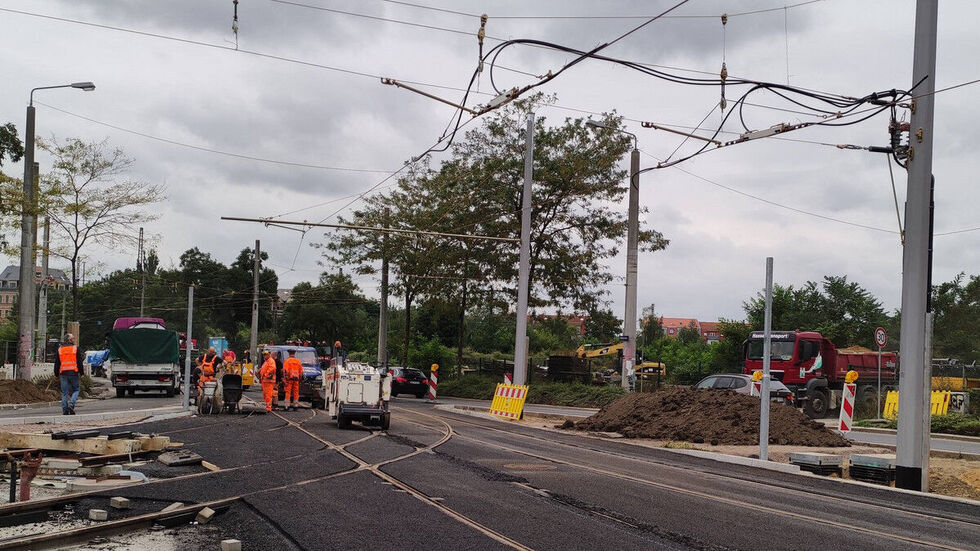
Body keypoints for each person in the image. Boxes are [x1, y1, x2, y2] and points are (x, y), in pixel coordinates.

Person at [53, 333, 85, 415]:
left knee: (65, 392)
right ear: (69, 340)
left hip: (63, 373)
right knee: (76, 389)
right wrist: (81, 373)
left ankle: (65, 410)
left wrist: (56, 374)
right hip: (73, 372)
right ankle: (71, 404)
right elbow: (79, 362)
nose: (74, 340)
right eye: (73, 338)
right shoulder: (75, 348)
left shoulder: (60, 349)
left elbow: (57, 363)